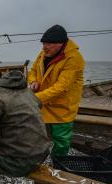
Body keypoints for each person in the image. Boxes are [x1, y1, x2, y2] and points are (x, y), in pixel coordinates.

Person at [28, 24, 85, 158]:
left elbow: (61, 88)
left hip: (62, 108)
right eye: (43, 43)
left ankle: (58, 165)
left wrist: (34, 99)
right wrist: (32, 81)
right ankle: (38, 160)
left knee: (61, 141)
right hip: (43, 104)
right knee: (38, 136)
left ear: (60, 44)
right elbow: (33, 71)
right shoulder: (44, 53)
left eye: (48, 44)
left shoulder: (74, 58)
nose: (44, 47)